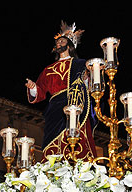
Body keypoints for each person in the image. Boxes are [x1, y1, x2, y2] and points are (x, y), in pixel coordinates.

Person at [25, 21, 96, 160]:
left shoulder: (82, 64)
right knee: (52, 139)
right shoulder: (48, 69)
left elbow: (90, 85)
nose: (58, 44)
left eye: (62, 41)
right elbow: (41, 91)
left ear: (69, 45)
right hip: (55, 108)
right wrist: (33, 88)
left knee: (77, 137)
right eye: (57, 42)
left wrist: (88, 79)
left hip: (75, 104)